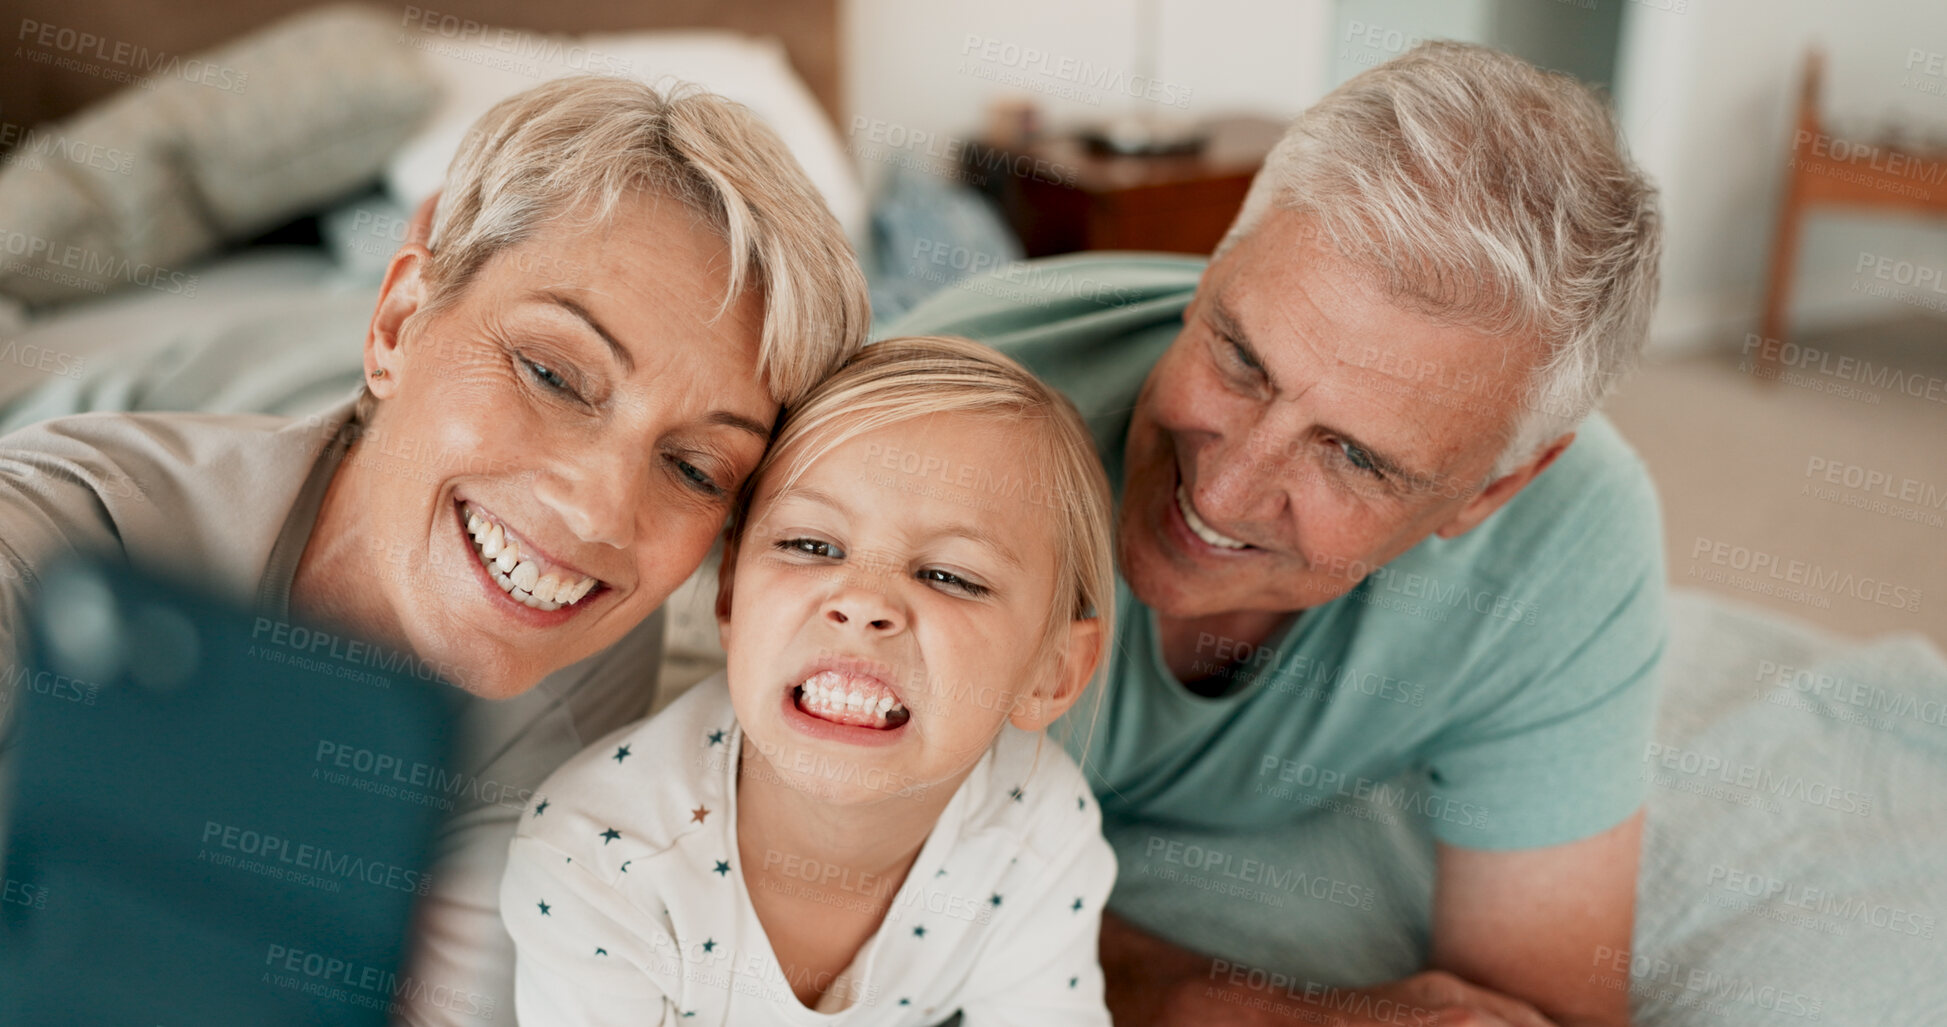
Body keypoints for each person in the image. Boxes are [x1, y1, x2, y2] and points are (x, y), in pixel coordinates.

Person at [0, 76, 869, 1025]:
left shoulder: (597, 658)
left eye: (697, 467)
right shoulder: (54, 543)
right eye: (552, 373)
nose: (601, 513)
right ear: (398, 323)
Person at [883, 42, 1664, 1027]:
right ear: (1214, 266)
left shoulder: (1569, 538)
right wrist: (1216, 1004)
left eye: (1356, 457)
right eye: (1241, 355)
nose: (1228, 484)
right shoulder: (924, 442)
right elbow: (814, 872)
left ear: (1494, 488)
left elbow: (1532, 1004)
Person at [499, 334, 1120, 1025]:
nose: (862, 601)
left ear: (1051, 674)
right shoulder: (598, 860)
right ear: (730, 593)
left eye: (950, 576)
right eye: (811, 545)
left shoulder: (1035, 829)